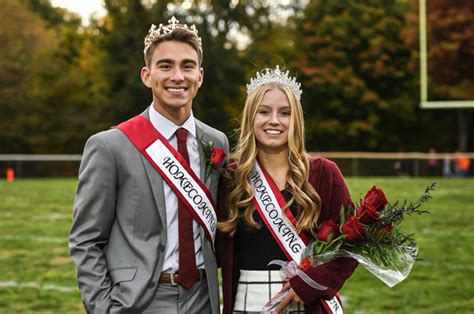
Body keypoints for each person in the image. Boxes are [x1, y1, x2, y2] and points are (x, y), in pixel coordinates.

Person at [69, 17, 229, 314]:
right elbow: (86, 239)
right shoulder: (110, 146)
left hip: (203, 299)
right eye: (165, 66)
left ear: (201, 76)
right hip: (139, 301)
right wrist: (103, 308)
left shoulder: (216, 143)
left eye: (187, 66)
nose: (177, 76)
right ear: (146, 75)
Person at [217, 66, 357, 314]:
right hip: (246, 302)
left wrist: (310, 284)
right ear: (250, 117)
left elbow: (353, 246)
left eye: (285, 113)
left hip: (307, 303)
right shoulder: (231, 178)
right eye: (264, 112)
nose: (274, 121)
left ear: (297, 121)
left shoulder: (324, 173)